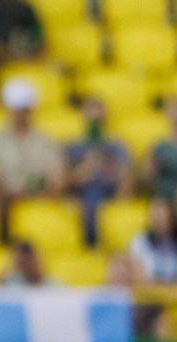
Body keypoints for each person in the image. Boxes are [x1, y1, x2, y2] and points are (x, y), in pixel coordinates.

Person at [0, 78, 65, 240]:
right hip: (4, 204)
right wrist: (8, 197)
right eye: (15, 109)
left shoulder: (46, 142)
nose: (19, 114)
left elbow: (57, 180)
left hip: (38, 202)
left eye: (23, 109)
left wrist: (35, 196)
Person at [67, 97, 133, 245]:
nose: (95, 125)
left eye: (98, 121)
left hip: (108, 202)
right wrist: (87, 167)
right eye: (91, 121)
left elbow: (126, 182)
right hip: (81, 203)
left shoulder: (117, 147)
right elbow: (65, 184)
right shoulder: (74, 147)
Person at [127, 197, 177, 285]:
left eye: (162, 216)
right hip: (147, 293)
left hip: (176, 293)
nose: (157, 220)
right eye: (154, 215)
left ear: (172, 218)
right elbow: (137, 278)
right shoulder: (139, 242)